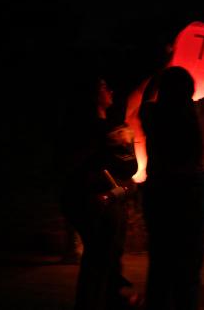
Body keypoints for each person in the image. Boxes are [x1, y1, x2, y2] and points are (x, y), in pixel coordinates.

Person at [60, 76, 139, 310]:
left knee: (105, 255)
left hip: (94, 199)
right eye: (103, 86)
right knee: (99, 257)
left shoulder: (85, 127)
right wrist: (121, 146)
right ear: (91, 94)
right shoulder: (99, 130)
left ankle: (110, 297)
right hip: (97, 200)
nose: (110, 90)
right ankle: (93, 302)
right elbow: (128, 166)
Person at [139, 66, 204, 310]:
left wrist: (160, 68)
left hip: (158, 191)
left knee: (160, 260)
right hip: (188, 192)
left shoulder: (153, 115)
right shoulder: (191, 116)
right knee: (188, 263)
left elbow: (147, 97)